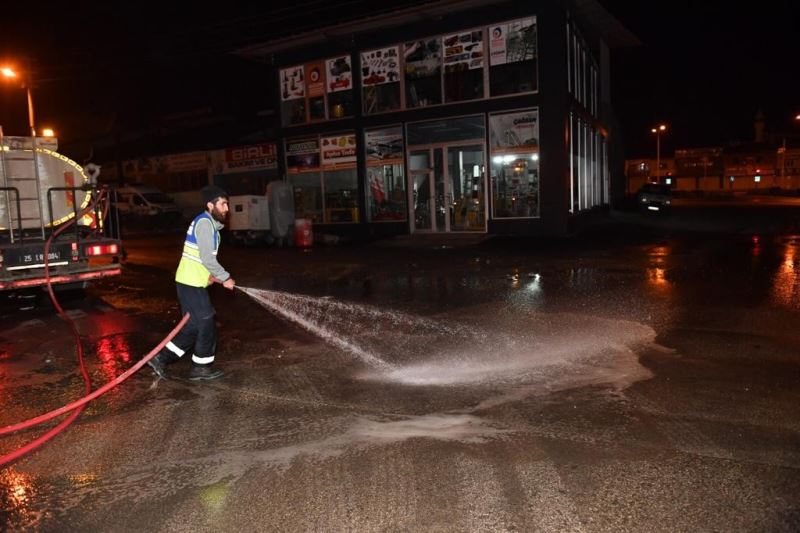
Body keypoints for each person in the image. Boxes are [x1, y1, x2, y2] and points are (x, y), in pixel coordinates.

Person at [148, 185, 235, 381]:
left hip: (193, 281)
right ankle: (200, 368)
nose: (227, 209)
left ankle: (161, 359)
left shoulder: (210, 226)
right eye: (223, 204)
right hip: (190, 283)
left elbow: (198, 257)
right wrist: (225, 277)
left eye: (227, 204)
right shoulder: (205, 224)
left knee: (193, 327)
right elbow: (207, 258)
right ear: (210, 205)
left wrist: (210, 276)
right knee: (206, 323)